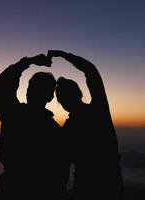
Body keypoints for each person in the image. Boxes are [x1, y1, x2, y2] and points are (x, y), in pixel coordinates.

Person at [0, 54, 69, 199]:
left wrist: (29, 62)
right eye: (31, 86)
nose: (29, 90)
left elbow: (2, 86)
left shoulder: (14, 115)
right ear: (50, 98)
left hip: (15, 190)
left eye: (34, 87)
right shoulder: (56, 131)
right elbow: (61, 174)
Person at [49, 50, 124, 200]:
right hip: (111, 182)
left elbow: (59, 159)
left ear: (61, 102)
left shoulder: (68, 128)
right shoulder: (99, 110)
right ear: (79, 93)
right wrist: (63, 55)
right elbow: (91, 70)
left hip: (85, 186)